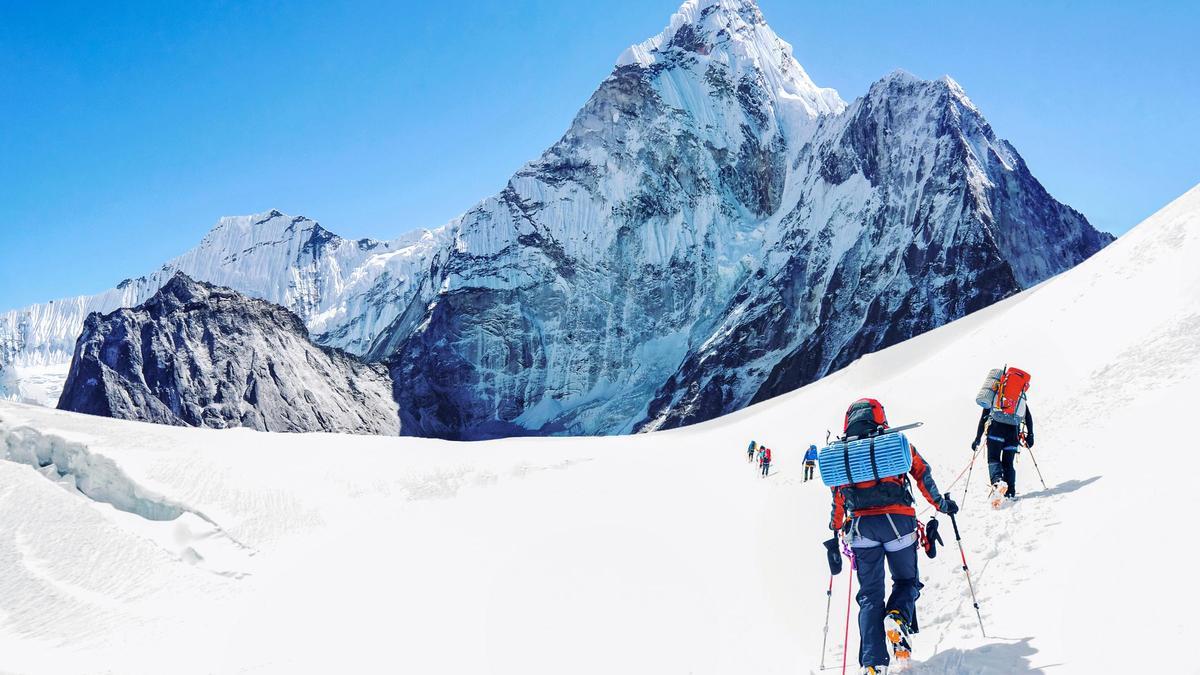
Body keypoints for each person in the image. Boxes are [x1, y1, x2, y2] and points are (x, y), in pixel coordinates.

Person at [826, 399, 958, 674]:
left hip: (862, 529)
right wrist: (942, 506)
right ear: (880, 418)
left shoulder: (843, 454)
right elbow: (922, 473)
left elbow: (838, 496)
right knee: (907, 580)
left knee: (870, 595)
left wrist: (835, 525)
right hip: (899, 524)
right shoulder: (894, 443)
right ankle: (897, 617)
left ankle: (873, 664)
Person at [971, 402, 1034, 501]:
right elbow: (1027, 416)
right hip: (1013, 433)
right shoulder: (1018, 396)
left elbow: (984, 416)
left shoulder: (995, 394)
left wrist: (978, 438)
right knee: (1008, 463)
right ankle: (1010, 492)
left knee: (993, 459)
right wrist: (1030, 435)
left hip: (996, 431)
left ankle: (998, 481)